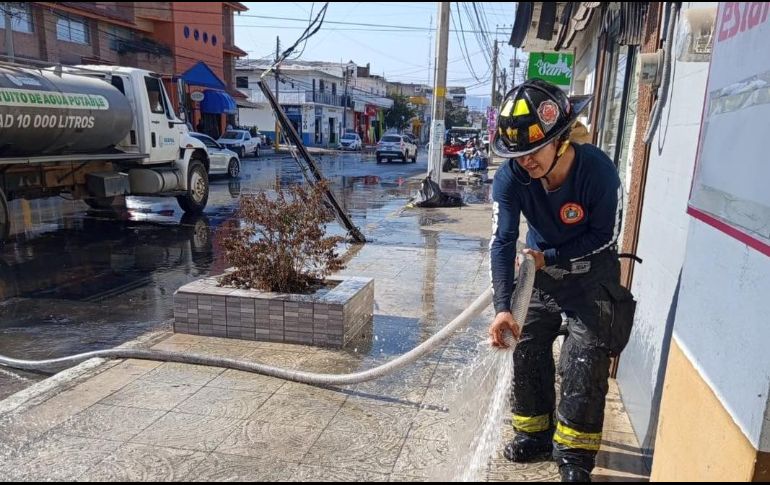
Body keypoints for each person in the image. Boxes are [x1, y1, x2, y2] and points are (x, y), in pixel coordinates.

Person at [487, 79, 636, 482]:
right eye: (518, 154)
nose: (526, 162)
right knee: (526, 343)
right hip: (540, 276)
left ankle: (574, 455)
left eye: (534, 151)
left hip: (592, 273)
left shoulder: (598, 172)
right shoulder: (511, 179)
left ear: (561, 139)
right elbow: (502, 241)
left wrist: (547, 255)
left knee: (583, 360)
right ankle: (534, 434)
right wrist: (504, 307)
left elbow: (603, 236)